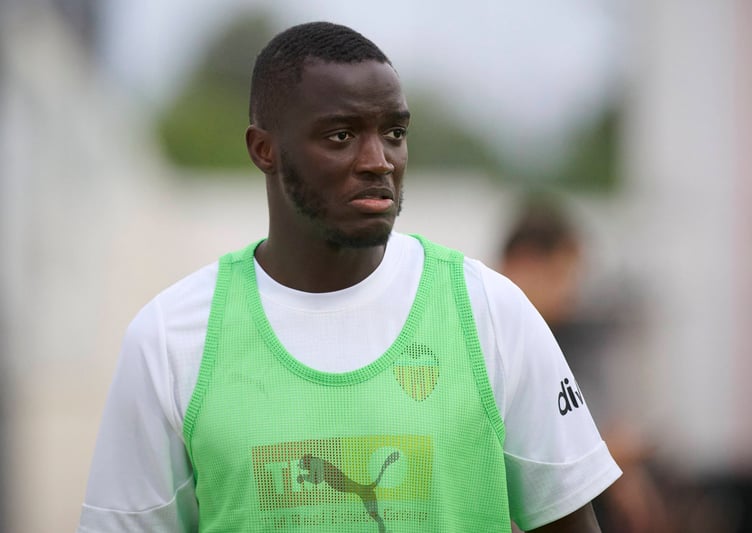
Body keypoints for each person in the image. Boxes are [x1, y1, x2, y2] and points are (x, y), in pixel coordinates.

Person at [78, 22, 620, 532]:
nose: (378, 160)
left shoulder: (490, 313)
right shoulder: (170, 339)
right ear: (264, 150)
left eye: (394, 132)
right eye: (340, 135)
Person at [500, 200, 673, 533]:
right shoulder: (488, 339)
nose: (572, 295)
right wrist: (606, 457)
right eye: (563, 276)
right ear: (524, 262)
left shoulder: (556, 339)